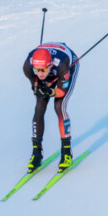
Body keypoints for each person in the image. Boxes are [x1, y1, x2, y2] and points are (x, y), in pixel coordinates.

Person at [22, 42, 79, 173]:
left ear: (50, 66)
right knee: (39, 108)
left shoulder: (63, 66)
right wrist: (38, 88)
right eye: (37, 70)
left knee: (59, 106)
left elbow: (61, 92)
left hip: (67, 64)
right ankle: (36, 153)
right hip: (50, 63)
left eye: (43, 70)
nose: (40, 73)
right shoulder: (27, 66)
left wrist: (49, 91)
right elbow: (35, 84)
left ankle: (66, 152)